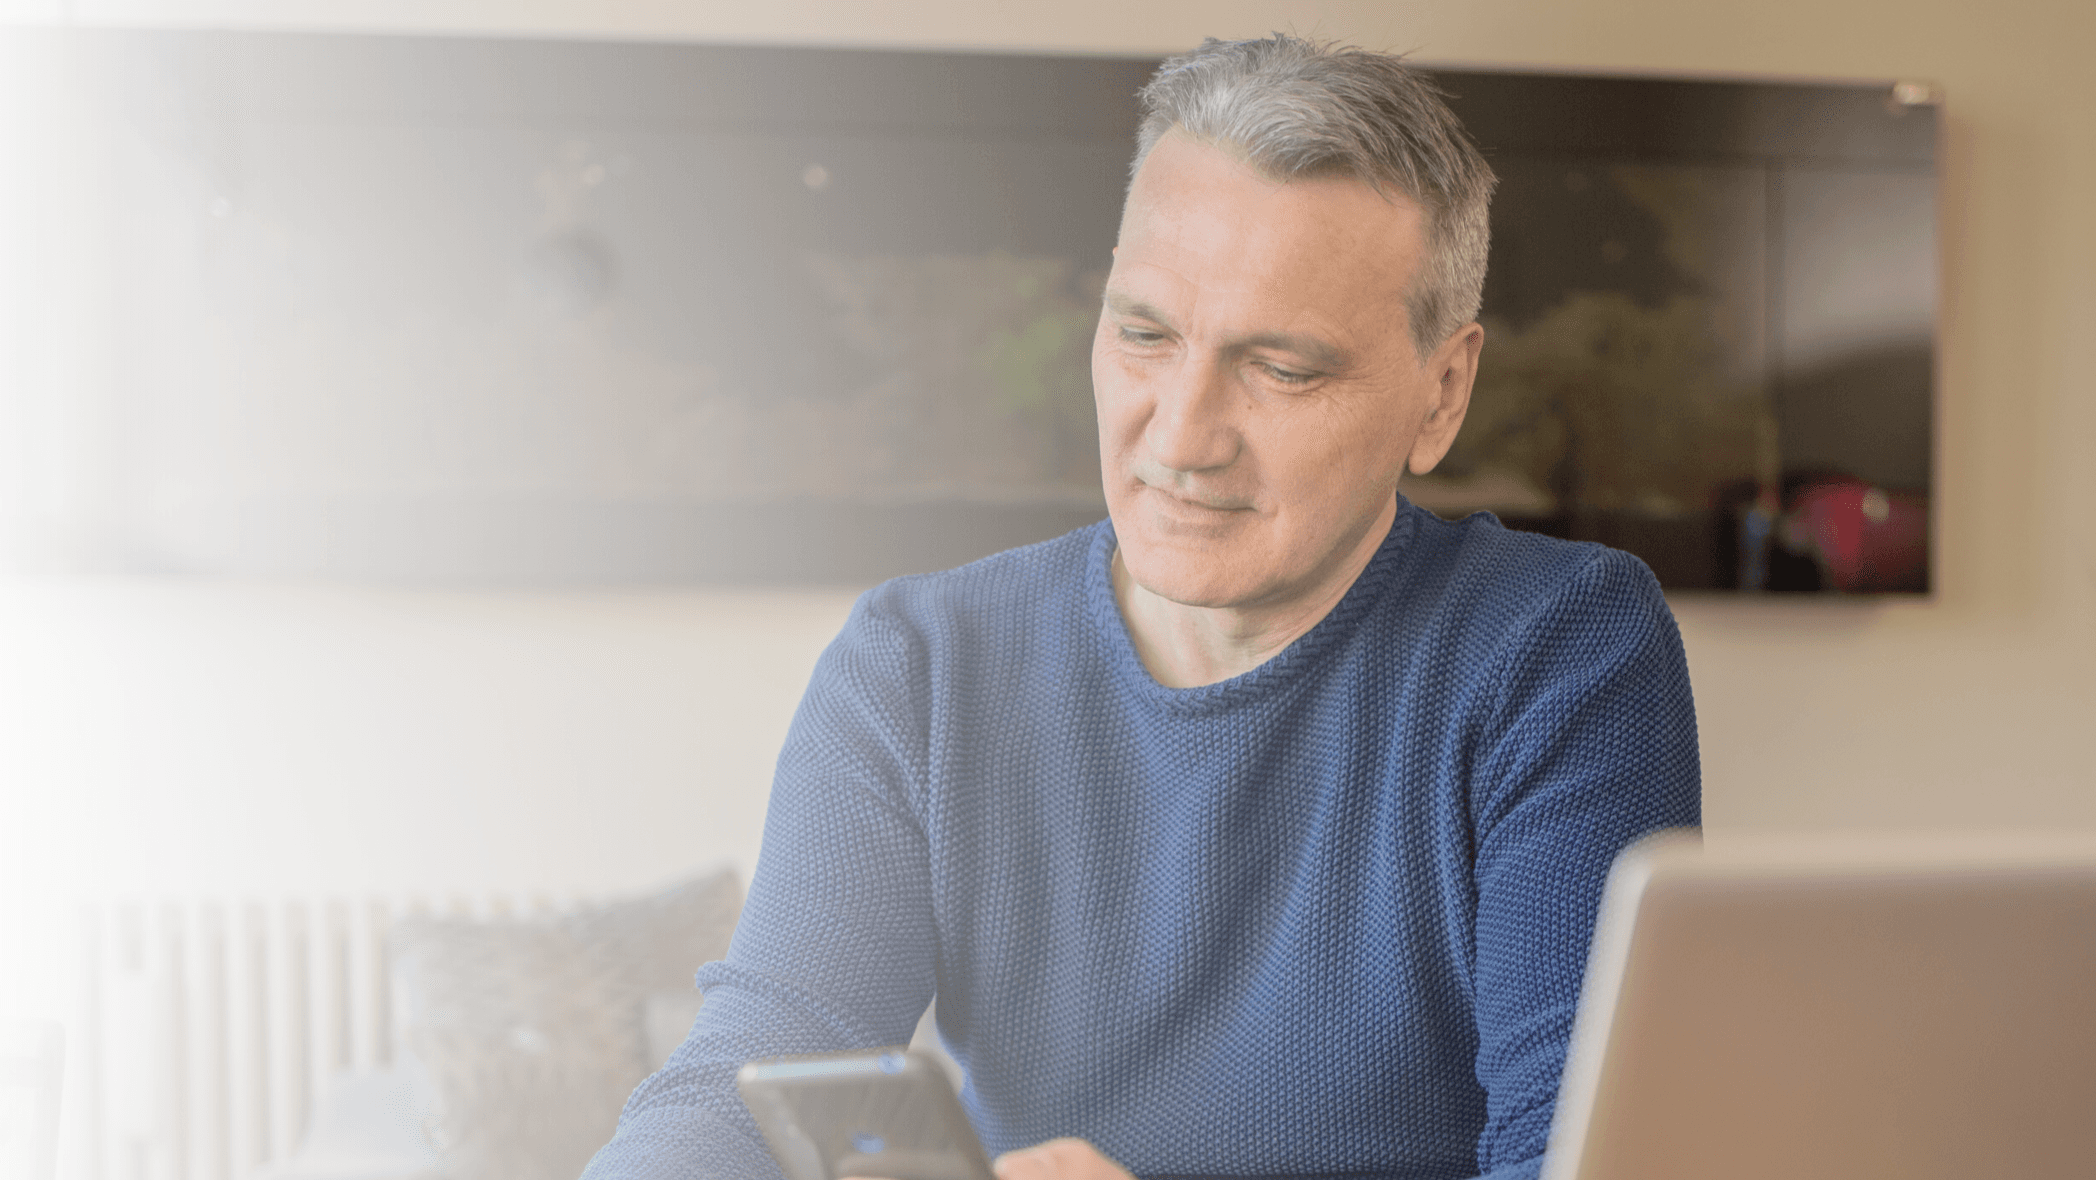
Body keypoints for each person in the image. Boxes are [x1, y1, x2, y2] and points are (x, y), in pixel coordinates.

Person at [582, 34, 1700, 1180]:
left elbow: (1581, 1156)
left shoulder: (1559, 650)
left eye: (1282, 368)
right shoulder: (918, 664)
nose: (1177, 437)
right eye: (1144, 334)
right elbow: (757, 1065)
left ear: (1442, 391)